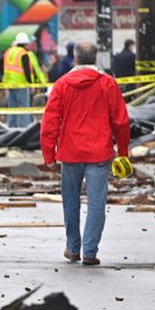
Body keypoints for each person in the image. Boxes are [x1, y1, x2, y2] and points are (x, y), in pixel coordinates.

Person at [41, 42, 129, 266]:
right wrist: (124, 151)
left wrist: (49, 154)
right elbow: (120, 120)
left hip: (70, 153)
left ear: (75, 58)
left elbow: (50, 122)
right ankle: (90, 252)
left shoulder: (61, 85)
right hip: (99, 153)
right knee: (97, 203)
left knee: (70, 201)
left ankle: (72, 248)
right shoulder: (107, 83)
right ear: (95, 58)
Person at [2, 33, 39, 128]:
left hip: (9, 84)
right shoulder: (23, 53)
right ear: (26, 44)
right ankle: (24, 129)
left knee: (12, 108)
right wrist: (31, 85)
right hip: (21, 84)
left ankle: (12, 128)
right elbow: (27, 71)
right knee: (23, 108)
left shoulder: (8, 52)